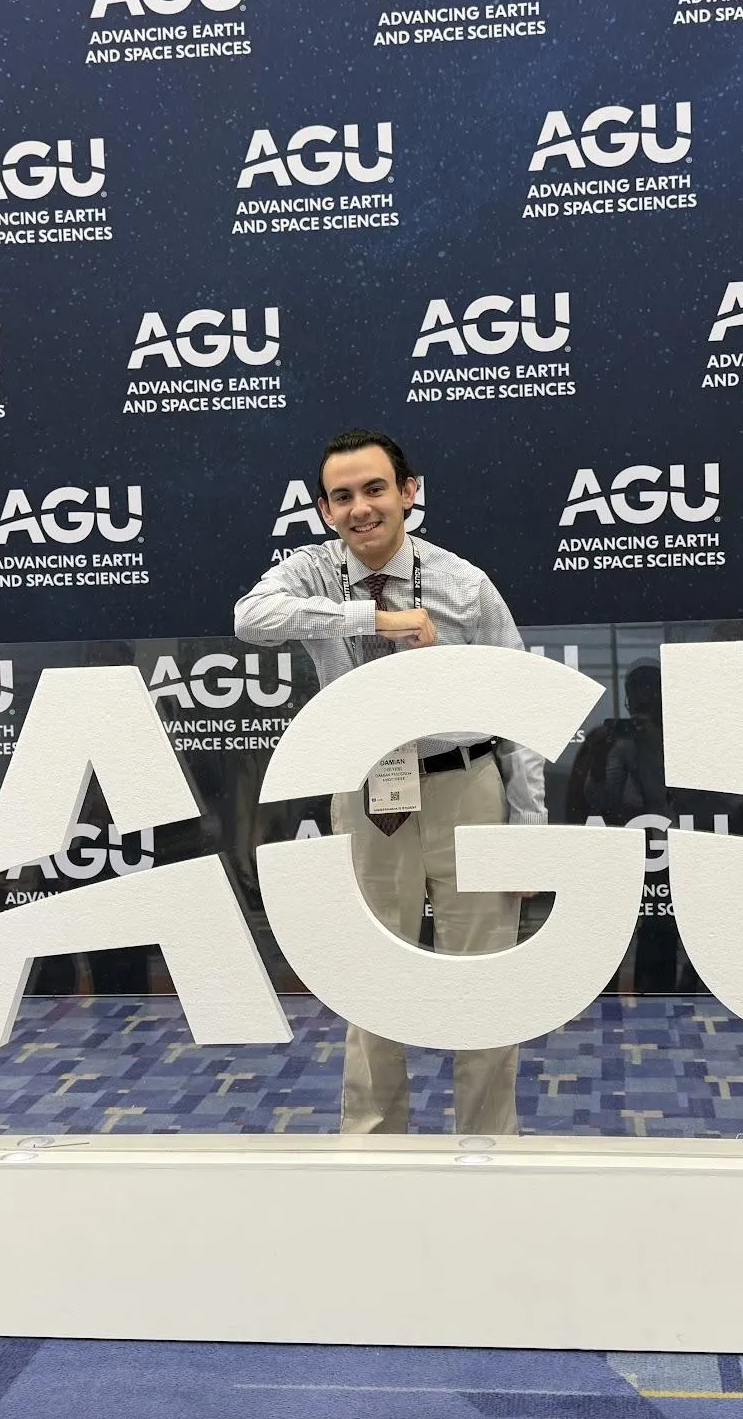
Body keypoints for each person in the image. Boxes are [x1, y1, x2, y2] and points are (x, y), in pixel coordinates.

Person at [233, 429, 544, 1136]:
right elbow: (250, 619)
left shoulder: (463, 584)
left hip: (466, 785)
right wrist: (371, 617)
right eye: (342, 497)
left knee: (485, 980)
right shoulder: (313, 571)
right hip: (368, 791)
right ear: (324, 510)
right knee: (369, 977)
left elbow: (520, 706)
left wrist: (528, 829)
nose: (361, 508)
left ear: (408, 492)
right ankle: (373, 1144)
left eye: (375, 489)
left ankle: (486, 1143)